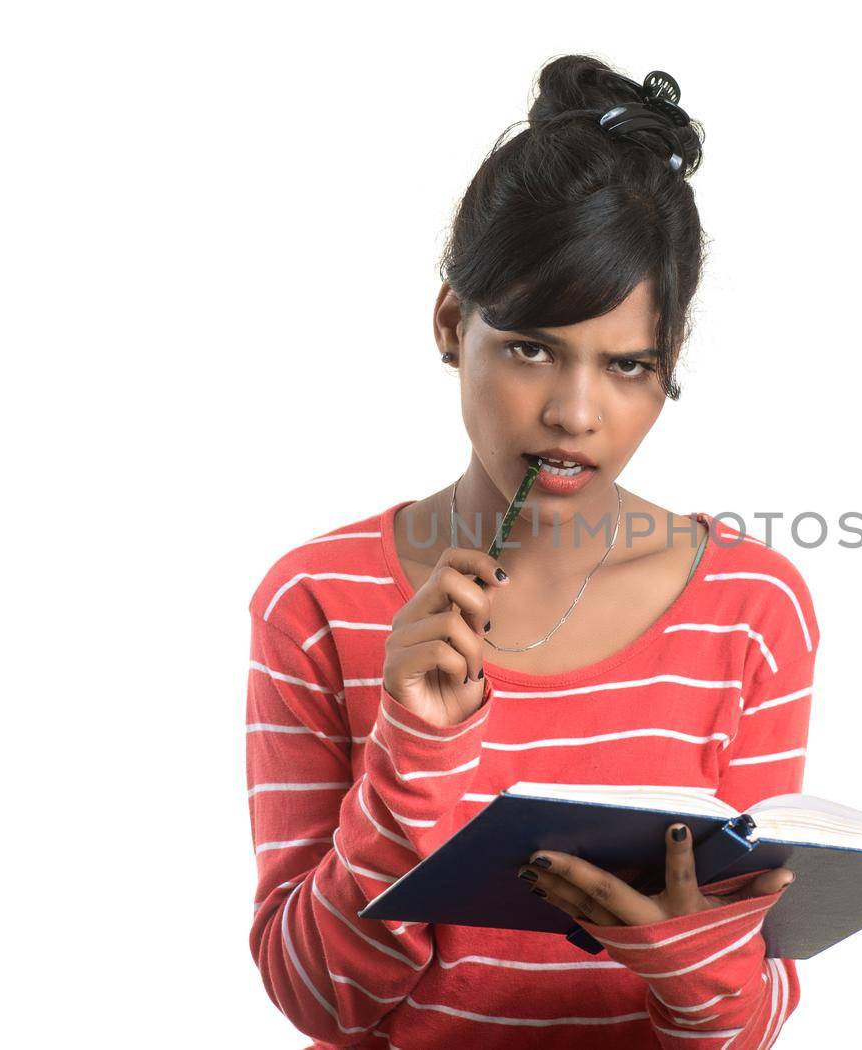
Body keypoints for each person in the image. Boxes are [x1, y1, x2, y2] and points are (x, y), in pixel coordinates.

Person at [245, 54, 819, 1049]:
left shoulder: (753, 607)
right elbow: (316, 998)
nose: (575, 412)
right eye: (530, 347)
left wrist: (696, 968)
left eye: (629, 365)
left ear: (667, 367)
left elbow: (750, 1018)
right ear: (451, 322)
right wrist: (413, 752)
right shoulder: (317, 600)